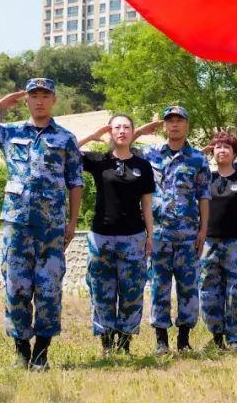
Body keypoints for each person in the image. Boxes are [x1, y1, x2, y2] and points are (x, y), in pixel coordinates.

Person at [0, 78, 84, 370]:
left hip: (51, 227)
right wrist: (2, 103)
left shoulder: (66, 139)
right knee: (16, 288)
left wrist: (72, 222)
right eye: (34, 96)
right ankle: (21, 351)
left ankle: (42, 352)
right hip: (17, 226)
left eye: (45, 96)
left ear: (54, 100)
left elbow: (75, 182)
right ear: (27, 100)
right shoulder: (11, 133)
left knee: (48, 289)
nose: (40, 101)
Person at [132, 106, 211, 354]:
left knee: (188, 287)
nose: (174, 125)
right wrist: (144, 130)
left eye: (179, 120)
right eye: (170, 121)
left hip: (188, 234)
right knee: (159, 286)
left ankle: (184, 339)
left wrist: (203, 231)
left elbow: (204, 197)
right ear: (164, 126)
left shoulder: (198, 159)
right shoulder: (150, 153)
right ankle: (161, 340)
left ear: (187, 125)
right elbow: (119, 145)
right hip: (159, 235)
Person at [77, 114, 155, 355]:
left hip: (133, 237)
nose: (121, 131)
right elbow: (65, 151)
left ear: (133, 132)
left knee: (131, 292)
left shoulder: (143, 165)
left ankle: (125, 343)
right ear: (110, 132)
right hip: (101, 236)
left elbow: (147, 205)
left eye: (127, 127)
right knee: (102, 292)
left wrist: (150, 236)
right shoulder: (98, 160)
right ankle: (107, 344)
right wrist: (92, 136)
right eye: (116, 127)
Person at [198, 130, 237, 350]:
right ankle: (216, 337)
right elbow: (192, 157)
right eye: (217, 147)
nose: (221, 151)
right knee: (209, 292)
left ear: (235, 153)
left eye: (227, 148)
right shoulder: (205, 178)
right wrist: (208, 147)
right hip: (209, 244)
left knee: (235, 293)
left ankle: (235, 339)